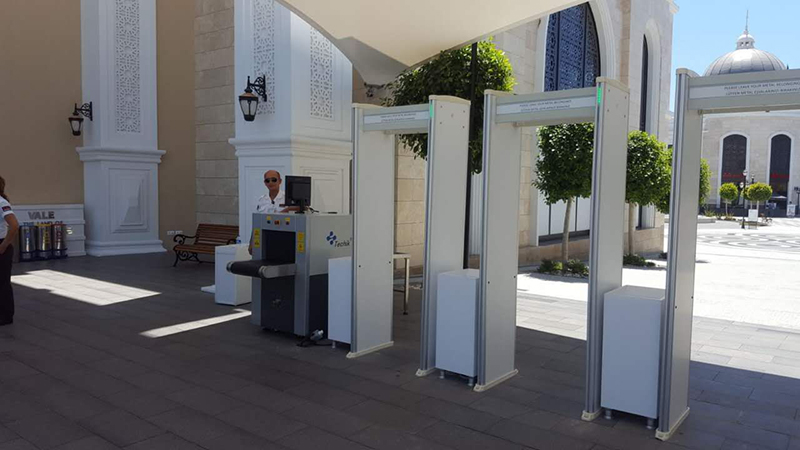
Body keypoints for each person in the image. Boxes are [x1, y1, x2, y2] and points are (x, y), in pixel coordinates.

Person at [250, 170, 286, 254]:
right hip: (265, 240)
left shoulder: (287, 198)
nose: (270, 182)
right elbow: (257, 223)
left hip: (283, 239)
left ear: (280, 181)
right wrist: (251, 242)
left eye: (274, 180)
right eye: (267, 180)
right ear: (264, 183)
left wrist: (286, 210)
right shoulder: (261, 200)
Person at [0, 176, 19, 326]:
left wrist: (4, 245)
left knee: (2, 282)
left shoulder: (2, 203)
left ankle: (6, 316)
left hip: (1, 246)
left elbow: (14, 225)